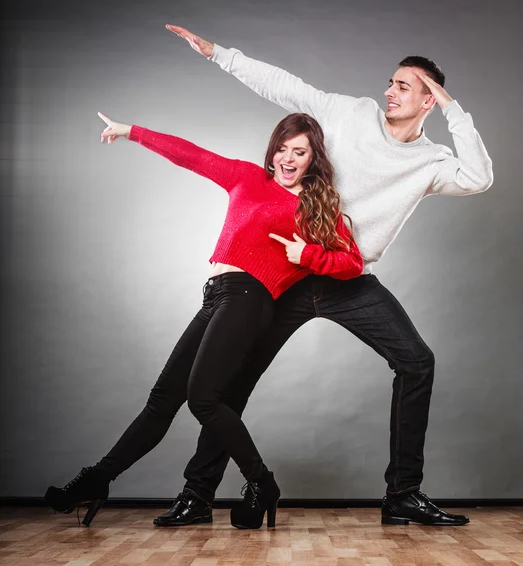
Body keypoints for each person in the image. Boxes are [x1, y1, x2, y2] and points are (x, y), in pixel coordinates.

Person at [153, 24, 494, 528]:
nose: (390, 90)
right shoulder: (351, 113)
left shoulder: (432, 161)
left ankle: (403, 493)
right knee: (234, 382)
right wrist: (219, 55)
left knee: (417, 362)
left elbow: (480, 177)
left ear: (429, 101)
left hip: (348, 278)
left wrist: (455, 111)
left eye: (405, 85)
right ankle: (197, 495)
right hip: (287, 272)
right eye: (392, 81)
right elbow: (286, 86)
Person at [44, 112, 363, 529]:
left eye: (299, 152)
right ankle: (97, 480)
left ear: (313, 158)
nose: (287, 159)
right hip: (216, 295)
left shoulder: (315, 206)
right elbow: (193, 157)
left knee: (204, 398)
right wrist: (132, 132)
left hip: (250, 299)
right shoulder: (249, 179)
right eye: (282, 149)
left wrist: (307, 256)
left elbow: (352, 262)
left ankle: (262, 483)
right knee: (162, 400)